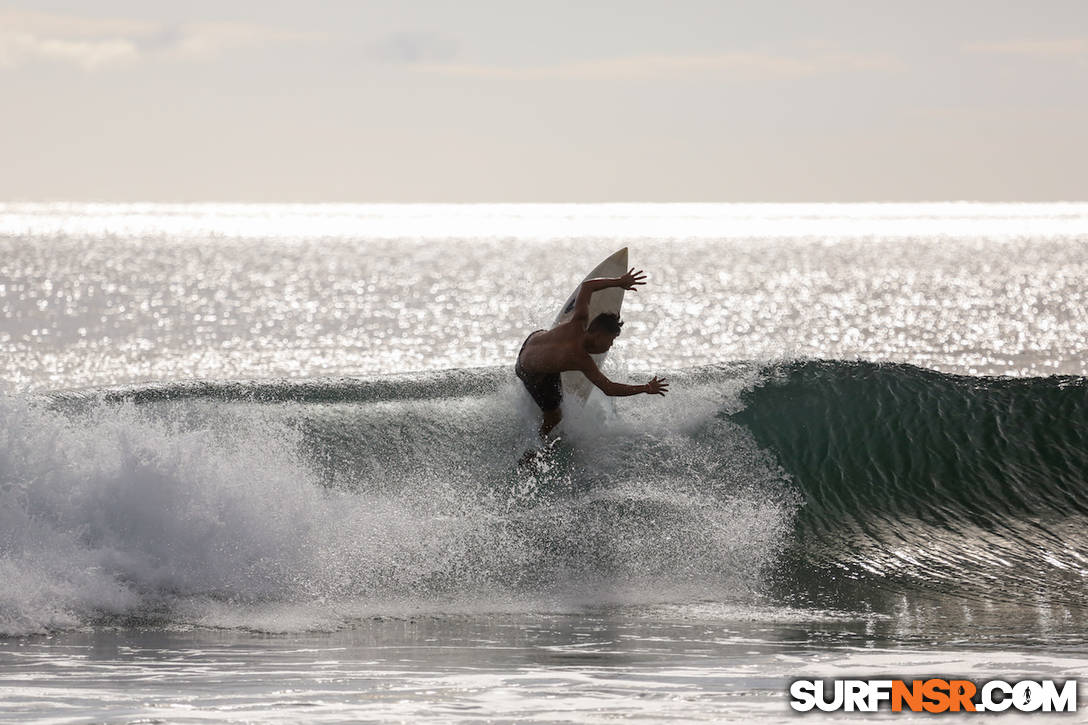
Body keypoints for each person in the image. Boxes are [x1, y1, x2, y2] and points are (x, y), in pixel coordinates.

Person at [515, 268, 669, 439]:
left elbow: (587, 286)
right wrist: (646, 388)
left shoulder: (580, 318)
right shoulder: (581, 359)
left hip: (530, 343)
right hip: (531, 374)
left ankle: (550, 353)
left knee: (555, 336)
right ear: (598, 335)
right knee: (555, 417)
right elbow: (609, 388)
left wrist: (619, 281)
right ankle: (535, 450)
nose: (610, 346)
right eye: (610, 341)